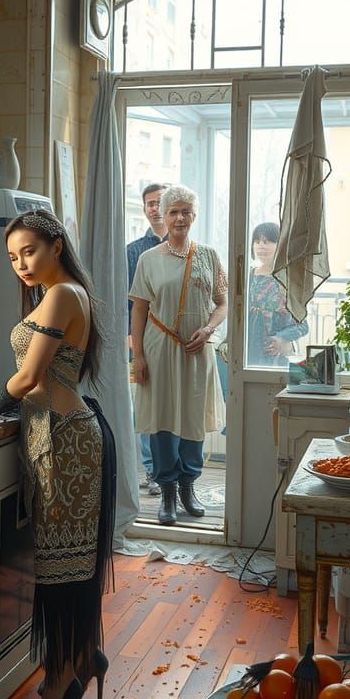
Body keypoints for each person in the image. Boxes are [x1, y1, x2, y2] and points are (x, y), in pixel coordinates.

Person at [0, 209, 115, 699]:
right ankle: (83, 656)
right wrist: (5, 401)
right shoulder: (59, 295)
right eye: (12, 257)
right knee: (66, 564)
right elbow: (45, 380)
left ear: (56, 245)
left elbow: (33, 373)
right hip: (58, 433)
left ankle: (60, 682)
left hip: (65, 442)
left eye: (29, 252)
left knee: (61, 570)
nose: (20, 264)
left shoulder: (61, 294)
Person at [130, 185, 228, 526]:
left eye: (186, 211)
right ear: (164, 216)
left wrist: (210, 329)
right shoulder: (148, 259)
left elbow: (223, 303)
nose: (180, 217)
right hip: (160, 349)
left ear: (195, 215)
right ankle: (167, 491)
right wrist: (138, 356)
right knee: (160, 421)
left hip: (197, 351)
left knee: (192, 417)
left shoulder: (210, 256)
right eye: (174, 211)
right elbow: (139, 310)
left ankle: (189, 487)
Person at [126, 183, 168, 498]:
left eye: (159, 202)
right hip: (141, 340)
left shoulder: (185, 247)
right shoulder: (133, 250)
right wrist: (131, 338)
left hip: (174, 340)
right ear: (144, 209)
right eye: (149, 203)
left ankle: (172, 472)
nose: (154, 208)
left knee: (172, 406)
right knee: (144, 407)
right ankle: (153, 471)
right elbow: (127, 299)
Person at [247, 222, 309, 367]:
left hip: (276, 355)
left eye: (267, 242)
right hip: (247, 352)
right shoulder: (248, 277)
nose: (261, 246)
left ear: (280, 245)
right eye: (257, 241)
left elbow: (303, 326)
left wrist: (281, 339)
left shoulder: (289, 280)